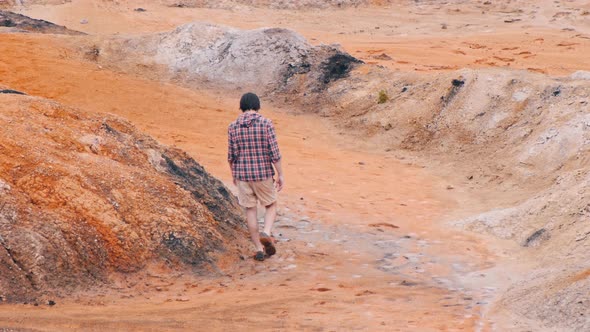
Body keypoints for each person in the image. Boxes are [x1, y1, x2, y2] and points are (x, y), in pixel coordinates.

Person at [228, 92, 285, 261]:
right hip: (262, 173)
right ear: (257, 105)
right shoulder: (266, 123)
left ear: (242, 106)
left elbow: (231, 156)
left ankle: (259, 249)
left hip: (242, 175)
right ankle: (266, 232)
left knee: (250, 210)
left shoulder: (233, 126)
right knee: (271, 205)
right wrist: (281, 174)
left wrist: (234, 175)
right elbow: (274, 153)